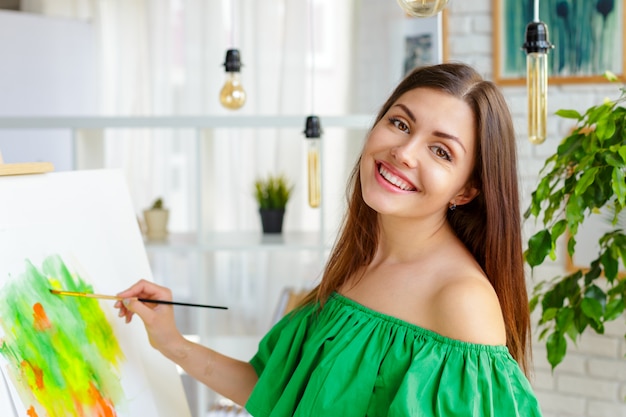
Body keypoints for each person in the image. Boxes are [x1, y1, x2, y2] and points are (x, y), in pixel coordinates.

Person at [116, 62, 543, 416]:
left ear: (467, 191)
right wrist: (170, 340)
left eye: (441, 151)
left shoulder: (460, 301)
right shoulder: (359, 261)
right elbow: (273, 391)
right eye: (400, 123)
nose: (405, 152)